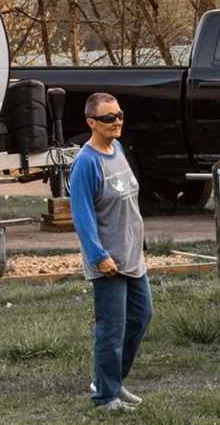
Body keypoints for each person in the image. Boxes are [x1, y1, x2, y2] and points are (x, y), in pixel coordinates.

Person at [70, 92, 152, 413]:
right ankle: (105, 397)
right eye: (108, 118)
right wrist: (97, 255)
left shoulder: (117, 149)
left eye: (119, 115)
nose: (117, 121)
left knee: (141, 317)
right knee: (112, 330)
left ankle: (111, 381)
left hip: (133, 258)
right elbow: (82, 215)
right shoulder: (86, 163)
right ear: (91, 122)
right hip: (108, 261)